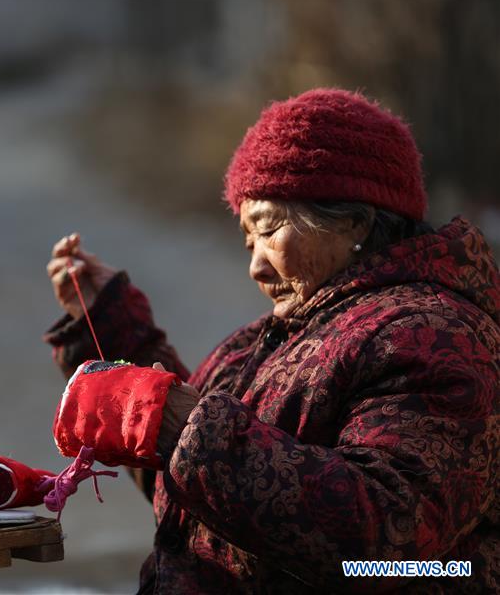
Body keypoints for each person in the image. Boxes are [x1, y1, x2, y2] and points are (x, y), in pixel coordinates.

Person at [43, 88, 499, 593]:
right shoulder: (281, 335)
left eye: (270, 229)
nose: (256, 266)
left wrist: (180, 423)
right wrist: (108, 325)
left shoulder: (434, 336)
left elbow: (379, 547)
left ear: (355, 220)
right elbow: (199, 491)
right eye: (246, 240)